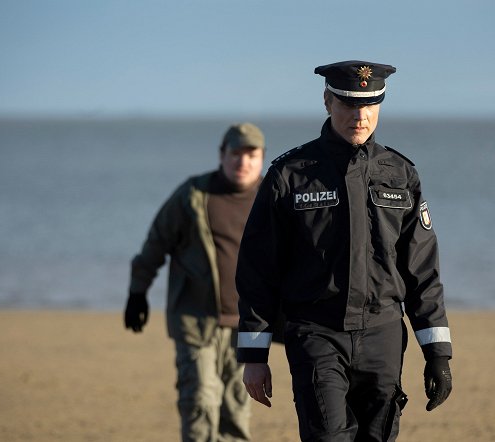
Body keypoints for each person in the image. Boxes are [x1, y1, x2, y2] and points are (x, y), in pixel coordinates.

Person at [236, 61, 453, 441]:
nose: (360, 115)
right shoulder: (290, 175)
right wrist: (255, 355)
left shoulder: (401, 174)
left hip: (383, 335)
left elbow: (422, 269)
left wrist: (437, 353)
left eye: (370, 106)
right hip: (316, 334)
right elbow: (258, 269)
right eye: (349, 104)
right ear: (327, 101)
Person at [124, 122, 266, 442]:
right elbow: (155, 244)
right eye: (235, 154)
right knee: (200, 402)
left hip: (252, 325)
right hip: (197, 320)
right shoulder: (194, 194)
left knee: (237, 408)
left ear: (262, 158)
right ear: (221, 155)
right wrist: (137, 292)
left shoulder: (272, 196)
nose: (242, 162)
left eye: (251, 155)